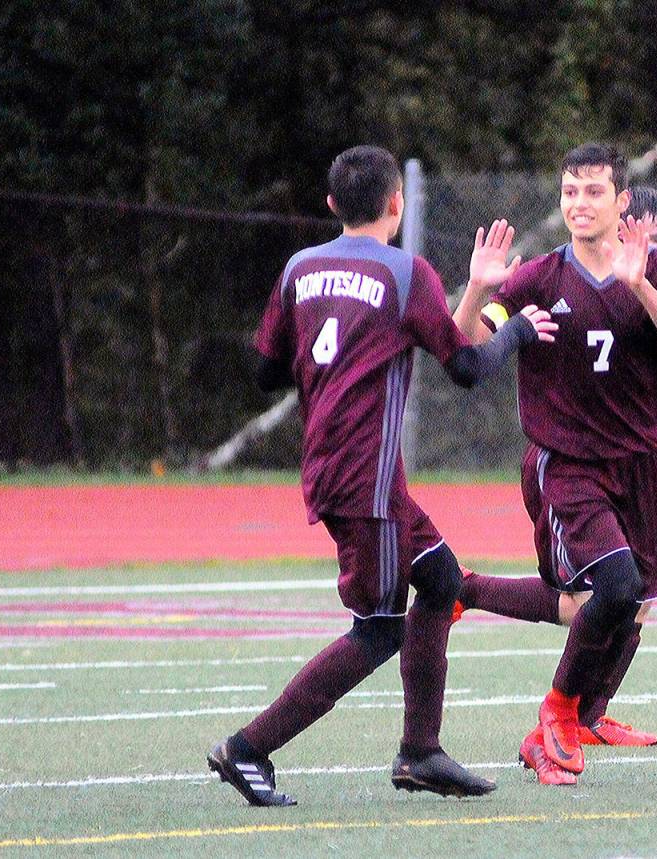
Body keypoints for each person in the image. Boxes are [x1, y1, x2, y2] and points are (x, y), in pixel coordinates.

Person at [206, 144, 556, 806]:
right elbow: (466, 368)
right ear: (397, 202)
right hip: (363, 477)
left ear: (333, 205)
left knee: (443, 580)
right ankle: (249, 748)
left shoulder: (299, 268)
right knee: (377, 628)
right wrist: (519, 333)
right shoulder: (405, 273)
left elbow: (265, 372)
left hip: (356, 471)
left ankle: (420, 752)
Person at [451, 148, 657, 786]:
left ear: (623, 202)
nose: (579, 204)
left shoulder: (654, 264)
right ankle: (560, 713)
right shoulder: (537, 278)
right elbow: (468, 346)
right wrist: (478, 290)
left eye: (594, 192)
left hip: (638, 465)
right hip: (568, 463)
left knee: (631, 601)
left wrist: (640, 284)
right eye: (570, 192)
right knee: (606, 591)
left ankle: (582, 713)